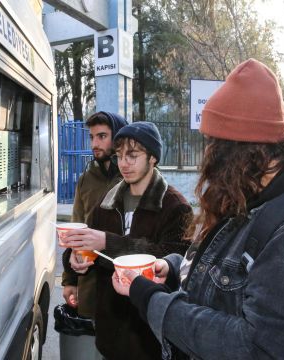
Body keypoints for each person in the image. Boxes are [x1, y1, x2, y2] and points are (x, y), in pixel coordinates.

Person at [112, 59, 284, 359]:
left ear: (242, 153)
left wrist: (155, 302)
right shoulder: (252, 199)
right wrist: (171, 272)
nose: (207, 159)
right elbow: (228, 285)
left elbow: (258, 349)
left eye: (213, 145)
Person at [62, 121, 194, 360]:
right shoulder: (107, 201)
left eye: (133, 155)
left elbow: (171, 260)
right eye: (120, 155)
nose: (123, 163)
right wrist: (76, 258)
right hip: (109, 334)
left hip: (149, 338)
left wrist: (107, 242)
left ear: (153, 157)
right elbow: (87, 244)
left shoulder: (176, 206)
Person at [61, 111, 127, 318]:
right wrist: (70, 280)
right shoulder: (86, 179)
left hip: (124, 283)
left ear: (117, 138)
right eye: (92, 137)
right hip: (90, 281)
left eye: (102, 136)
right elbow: (75, 229)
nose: (94, 144)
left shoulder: (131, 178)